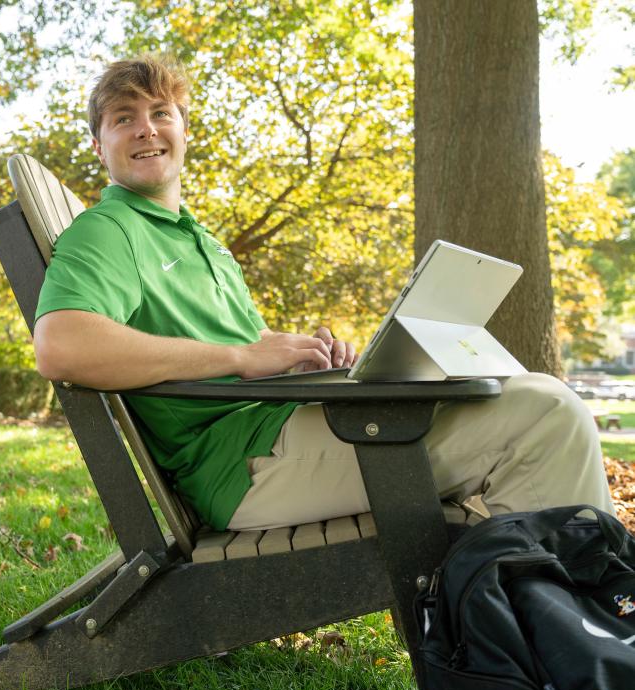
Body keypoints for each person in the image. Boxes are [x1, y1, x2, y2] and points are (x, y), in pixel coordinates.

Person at [33, 54, 615, 532]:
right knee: (546, 414)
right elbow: (62, 345)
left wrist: (289, 349)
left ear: (184, 130)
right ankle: (574, 634)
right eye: (123, 118)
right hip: (245, 465)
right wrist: (241, 357)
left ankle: (530, 627)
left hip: (284, 427)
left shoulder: (201, 240)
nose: (146, 129)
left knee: (537, 393)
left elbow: (231, 342)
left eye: (161, 112)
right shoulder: (107, 230)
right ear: (98, 145)